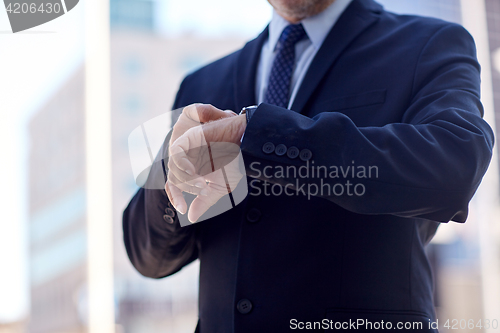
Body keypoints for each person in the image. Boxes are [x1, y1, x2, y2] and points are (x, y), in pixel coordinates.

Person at [122, 0, 494, 331]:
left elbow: (456, 162)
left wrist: (259, 135)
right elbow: (146, 256)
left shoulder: (428, 44)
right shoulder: (202, 83)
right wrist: (176, 178)